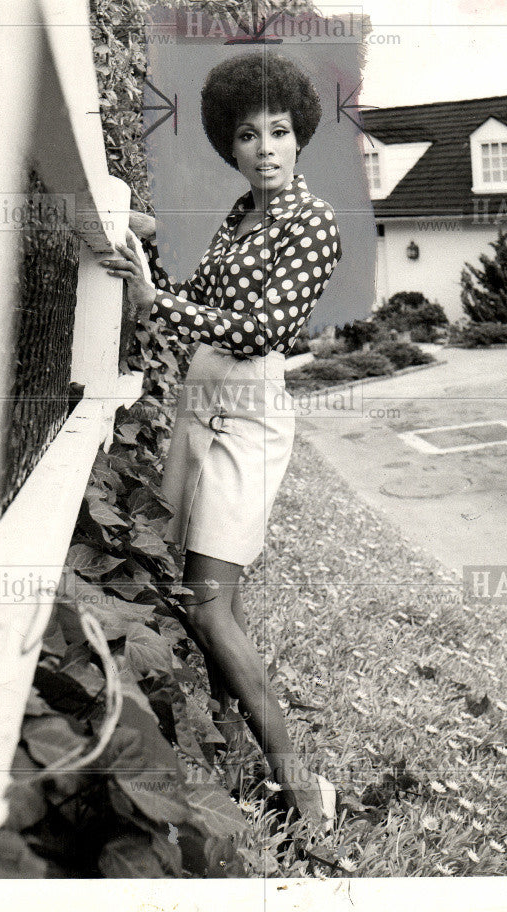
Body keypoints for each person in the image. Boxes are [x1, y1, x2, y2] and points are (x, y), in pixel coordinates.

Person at [100, 51, 341, 833]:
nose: (266, 147)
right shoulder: (242, 217)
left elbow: (265, 329)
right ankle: (240, 752)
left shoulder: (312, 221)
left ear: (299, 135)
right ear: (230, 146)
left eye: (278, 131)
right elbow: (191, 295)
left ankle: (303, 786)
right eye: (248, 134)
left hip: (245, 414)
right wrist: (138, 249)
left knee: (208, 604)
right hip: (199, 402)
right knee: (204, 594)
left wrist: (158, 306)